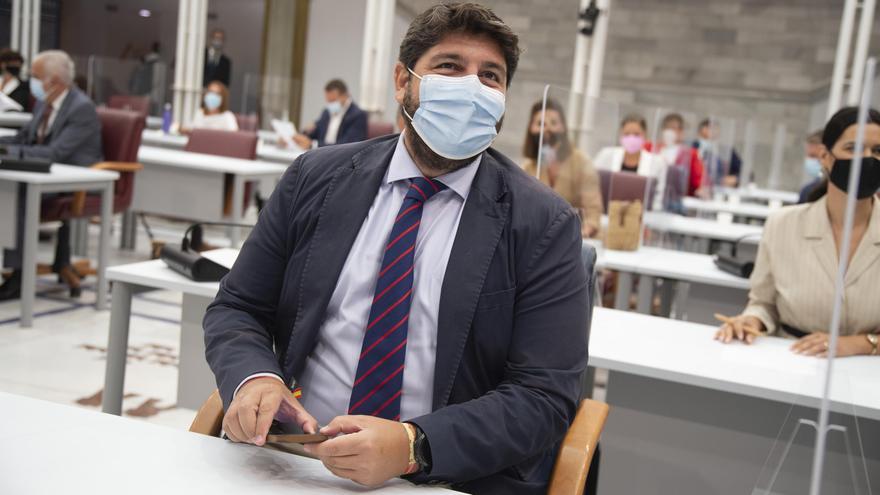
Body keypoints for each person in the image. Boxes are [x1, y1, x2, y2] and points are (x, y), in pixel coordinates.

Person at [203, 4, 588, 494]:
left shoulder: (542, 223)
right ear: (402, 80)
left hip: (443, 475)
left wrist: (413, 446)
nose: (472, 87)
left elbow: (544, 396)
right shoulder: (315, 178)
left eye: (490, 76)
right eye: (449, 67)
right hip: (294, 457)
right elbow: (239, 307)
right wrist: (255, 377)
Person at [715, 107, 880, 358]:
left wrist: (859, 344)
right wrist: (751, 321)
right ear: (825, 156)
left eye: (877, 151)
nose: (867, 159)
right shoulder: (782, 225)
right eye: (853, 148)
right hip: (792, 360)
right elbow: (763, 303)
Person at [0, 50, 102, 300]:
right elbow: (25, 138)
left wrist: (13, 150)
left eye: (35, 76)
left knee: (19, 193)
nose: (31, 81)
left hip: (74, 183)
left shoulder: (81, 108)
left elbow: (55, 152)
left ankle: (19, 274)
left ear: (53, 80)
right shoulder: (45, 103)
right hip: (47, 176)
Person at [522, 98, 603, 238]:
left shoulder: (582, 163)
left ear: (564, 127)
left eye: (553, 123)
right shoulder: (527, 168)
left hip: (576, 240)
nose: (547, 128)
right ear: (531, 129)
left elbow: (593, 212)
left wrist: (582, 234)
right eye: (540, 123)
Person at [594, 113, 667, 210]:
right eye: (627, 134)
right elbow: (591, 184)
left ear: (645, 135)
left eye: (636, 134)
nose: (631, 138)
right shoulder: (606, 155)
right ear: (621, 134)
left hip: (641, 216)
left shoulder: (657, 163)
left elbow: (659, 198)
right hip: (606, 213)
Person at [292, 79, 368, 148]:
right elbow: (316, 132)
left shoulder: (358, 115)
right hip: (321, 154)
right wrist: (301, 136)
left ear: (345, 96)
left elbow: (348, 145)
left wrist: (313, 145)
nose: (330, 105)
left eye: (333, 101)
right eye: (328, 101)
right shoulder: (327, 112)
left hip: (341, 159)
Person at [653, 113, 705, 197]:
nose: (669, 131)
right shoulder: (653, 148)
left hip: (677, 197)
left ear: (681, 131)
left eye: (673, 128)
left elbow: (698, 182)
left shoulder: (691, 154)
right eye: (667, 128)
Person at [694, 118, 742, 187]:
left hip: (718, 189)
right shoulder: (691, 147)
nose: (714, 132)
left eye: (716, 129)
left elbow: (743, 172)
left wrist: (735, 179)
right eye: (710, 128)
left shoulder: (725, 150)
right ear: (702, 129)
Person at [798, 130, 825, 203]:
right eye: (809, 156)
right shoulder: (809, 190)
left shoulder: (810, 191)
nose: (810, 160)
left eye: (813, 156)